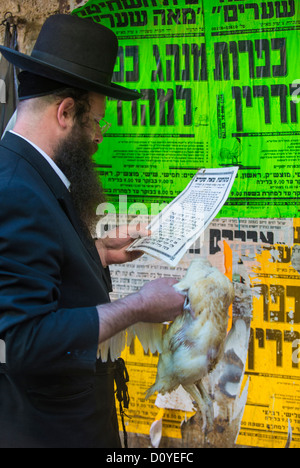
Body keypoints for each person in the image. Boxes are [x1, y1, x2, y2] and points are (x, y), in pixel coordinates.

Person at [0, 14, 185, 448]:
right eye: (96, 122)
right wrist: (138, 306)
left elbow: (40, 271)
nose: (99, 136)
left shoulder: (28, 174)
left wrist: (98, 252)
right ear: (66, 112)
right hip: (50, 431)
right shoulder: (15, 191)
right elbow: (24, 339)